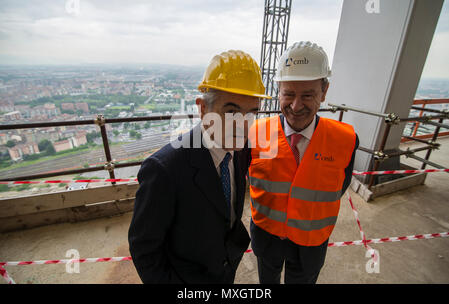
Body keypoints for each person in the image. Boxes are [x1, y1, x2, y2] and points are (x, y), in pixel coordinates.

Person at [128, 50, 271, 283]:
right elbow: (145, 250)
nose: (243, 126)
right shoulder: (164, 170)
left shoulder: (241, 150)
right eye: (232, 112)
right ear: (203, 109)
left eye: (252, 113)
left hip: (226, 269)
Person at [248, 41, 359, 284]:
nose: (296, 106)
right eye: (288, 94)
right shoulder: (256, 134)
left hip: (311, 244)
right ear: (278, 91)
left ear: (324, 91)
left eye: (307, 95)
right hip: (267, 239)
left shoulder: (345, 140)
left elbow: (340, 187)